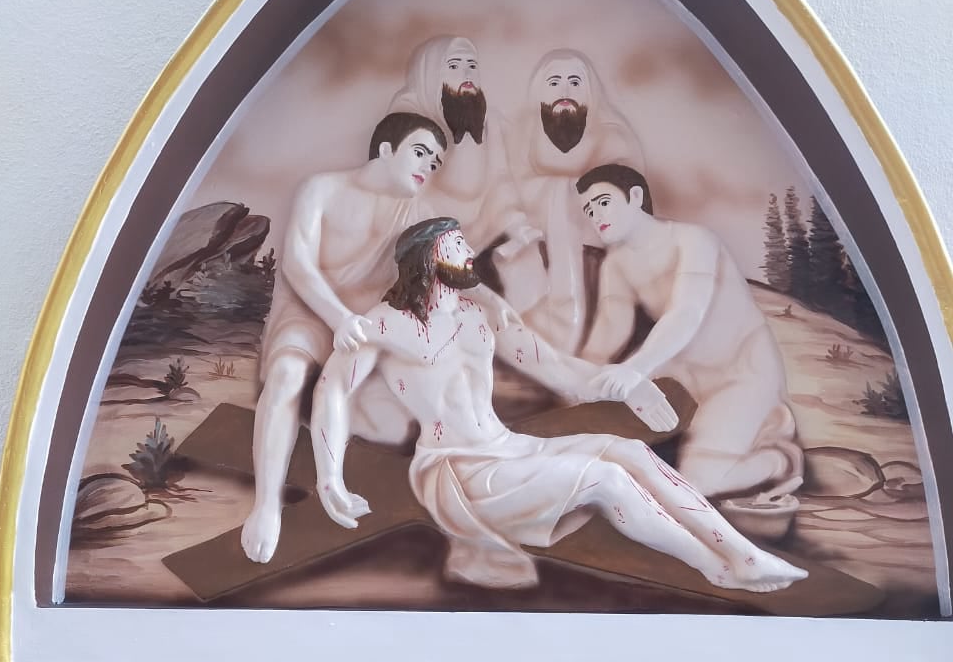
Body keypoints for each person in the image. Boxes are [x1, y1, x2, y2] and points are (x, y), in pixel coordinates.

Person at [311, 217, 807, 593]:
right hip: (456, 468)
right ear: (428, 257)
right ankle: (714, 569)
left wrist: (628, 384)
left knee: (629, 451)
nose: (469, 253)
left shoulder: (480, 316)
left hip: (507, 448)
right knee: (605, 479)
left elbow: (556, 367)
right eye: (457, 245)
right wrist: (330, 479)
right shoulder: (384, 324)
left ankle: (743, 554)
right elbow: (332, 389)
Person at [240, 112, 447, 564]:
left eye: (435, 162)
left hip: (366, 329)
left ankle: (331, 480)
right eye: (420, 152)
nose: (428, 166)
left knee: (384, 415)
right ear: (386, 149)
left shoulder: (420, 214)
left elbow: (447, 273)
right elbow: (297, 264)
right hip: (310, 311)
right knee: (287, 375)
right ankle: (266, 506)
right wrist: (338, 318)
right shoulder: (322, 189)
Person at [577, 163, 803, 500]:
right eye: (589, 210)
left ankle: (779, 461)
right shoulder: (617, 264)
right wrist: (579, 382)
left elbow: (687, 312)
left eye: (603, 202)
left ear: (635, 196)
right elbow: (609, 331)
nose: (596, 216)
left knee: (698, 482)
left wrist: (635, 369)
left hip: (741, 371)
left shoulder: (693, 240)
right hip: (682, 373)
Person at [509, 49, 644, 351]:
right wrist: (558, 192)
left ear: (589, 92)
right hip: (534, 245)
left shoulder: (614, 136)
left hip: (594, 251)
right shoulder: (523, 135)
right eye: (554, 83)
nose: (565, 92)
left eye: (574, 82)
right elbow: (510, 188)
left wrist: (564, 194)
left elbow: (623, 195)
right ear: (539, 92)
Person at [388, 35, 535, 256]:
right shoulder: (412, 121)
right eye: (454, 66)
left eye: (472, 66)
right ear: (432, 73)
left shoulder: (490, 122)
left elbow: (500, 177)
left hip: (482, 223)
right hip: (431, 227)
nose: (466, 74)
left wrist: (515, 221)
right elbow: (407, 192)